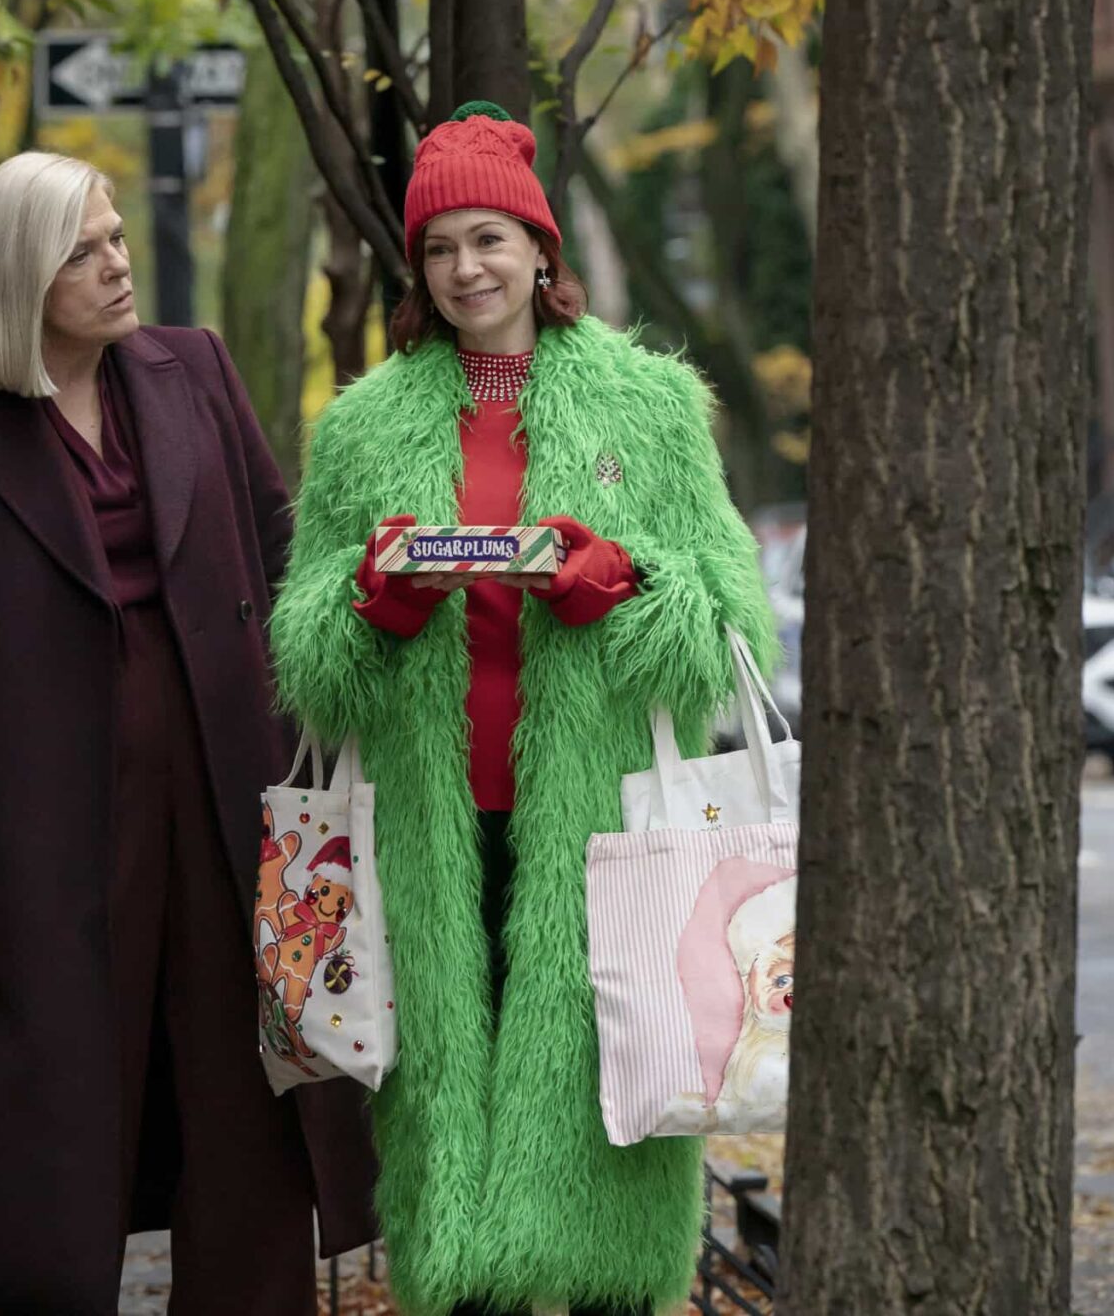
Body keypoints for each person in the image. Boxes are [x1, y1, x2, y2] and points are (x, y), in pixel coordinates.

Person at [269, 103, 777, 1316]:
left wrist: (617, 582)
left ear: (540, 251)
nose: (464, 270)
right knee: (450, 1122)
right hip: (428, 835)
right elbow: (303, 649)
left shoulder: (649, 406)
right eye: (439, 248)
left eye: (488, 239)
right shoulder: (362, 425)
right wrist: (379, 599)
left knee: (612, 1092)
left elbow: (730, 623)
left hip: (613, 826)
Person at [0, 151, 376, 1315]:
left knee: (245, 1106)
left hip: (229, 802)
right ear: (16, 277)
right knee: (45, 1134)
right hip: (40, 835)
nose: (116, 263)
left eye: (115, 237)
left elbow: (286, 553)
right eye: (83, 250)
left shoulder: (189, 369)